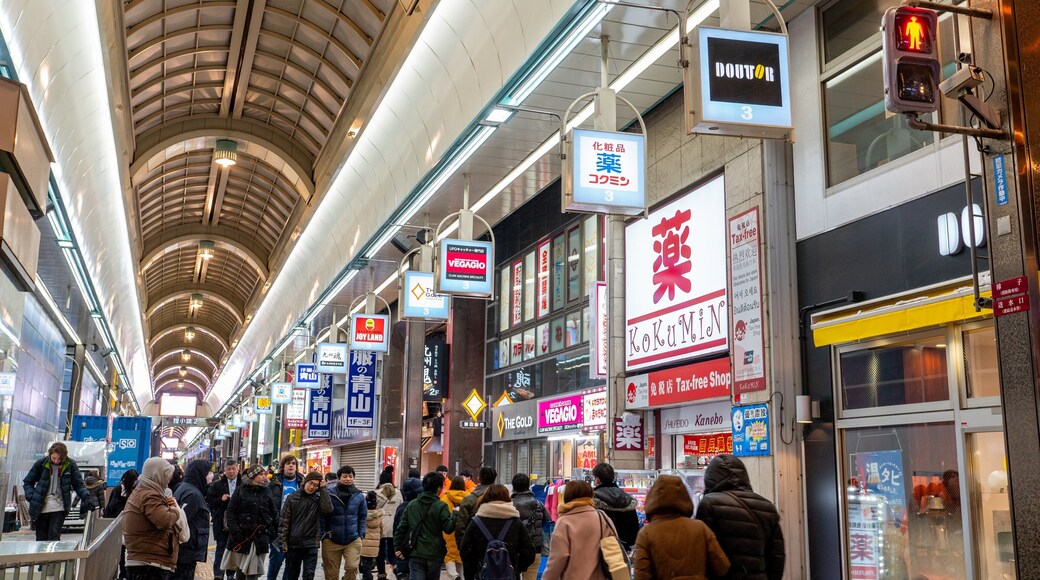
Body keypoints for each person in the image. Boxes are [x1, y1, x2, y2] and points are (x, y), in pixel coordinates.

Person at [695, 454, 785, 580]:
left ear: (711, 478)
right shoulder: (767, 507)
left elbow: (702, 555)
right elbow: (777, 556)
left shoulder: (709, 504)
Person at [634, 475, 729, 580]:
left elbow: (641, 575)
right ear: (684, 497)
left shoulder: (646, 533)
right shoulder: (700, 528)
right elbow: (722, 567)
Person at [122, 457, 186, 580]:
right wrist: (174, 509)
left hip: (146, 562)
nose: (168, 481)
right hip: (149, 565)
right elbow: (165, 520)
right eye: (166, 476)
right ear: (158, 475)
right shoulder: (150, 495)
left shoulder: (142, 492)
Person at [541, 480, 618, 580]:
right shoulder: (602, 518)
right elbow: (615, 547)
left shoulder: (564, 522)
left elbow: (556, 561)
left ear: (567, 496)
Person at [459, 483, 535, 580]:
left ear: (485, 498)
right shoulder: (516, 523)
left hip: (482, 575)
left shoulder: (476, 522)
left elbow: (465, 551)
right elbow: (529, 552)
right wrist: (516, 568)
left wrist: (474, 572)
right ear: (507, 498)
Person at [22, 441, 94, 541]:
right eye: (54, 458)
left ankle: (54, 556)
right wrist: (31, 496)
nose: (56, 461)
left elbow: (78, 484)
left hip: (59, 507)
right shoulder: (41, 464)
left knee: (54, 537)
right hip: (41, 507)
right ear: (50, 454)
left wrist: (86, 497)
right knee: (41, 538)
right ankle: (42, 556)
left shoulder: (70, 465)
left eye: (59, 459)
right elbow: (28, 482)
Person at [393, 471, 456, 580]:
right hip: (434, 553)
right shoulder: (441, 506)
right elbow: (448, 528)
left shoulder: (412, 504)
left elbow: (401, 529)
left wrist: (398, 548)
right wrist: (455, 515)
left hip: (415, 553)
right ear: (438, 489)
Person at [223, 465, 277, 580]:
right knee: (241, 568)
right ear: (253, 476)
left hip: (260, 536)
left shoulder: (267, 490)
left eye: (264, 474)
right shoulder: (241, 490)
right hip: (241, 536)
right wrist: (235, 530)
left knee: (253, 571)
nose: (264, 476)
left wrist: (273, 530)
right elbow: (231, 512)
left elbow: (273, 512)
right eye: (261, 474)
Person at [279, 471, 333, 580]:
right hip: (294, 544)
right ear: (305, 482)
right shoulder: (292, 498)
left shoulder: (318, 499)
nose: (312, 487)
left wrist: (323, 489)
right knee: (291, 575)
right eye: (310, 483)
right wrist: (283, 542)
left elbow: (328, 509)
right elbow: (284, 522)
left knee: (309, 575)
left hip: (311, 544)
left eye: (315, 485)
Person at [321, 465, 367, 580]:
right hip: (332, 540)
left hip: (353, 539)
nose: (348, 479)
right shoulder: (330, 493)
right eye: (345, 476)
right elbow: (322, 515)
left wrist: (361, 533)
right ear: (339, 478)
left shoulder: (359, 495)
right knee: (331, 574)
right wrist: (324, 535)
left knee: (352, 567)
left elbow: (362, 516)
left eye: (350, 476)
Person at [172, 460, 213, 580]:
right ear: (199, 473)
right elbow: (180, 520)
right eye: (208, 472)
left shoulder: (186, 488)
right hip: (186, 549)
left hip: (185, 549)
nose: (211, 475)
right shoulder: (193, 494)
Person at [269, 454, 304, 580]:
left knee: (291, 565)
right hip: (278, 528)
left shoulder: (303, 482)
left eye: (293, 463)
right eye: (288, 463)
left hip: (296, 529)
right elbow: (269, 504)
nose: (291, 466)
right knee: (275, 562)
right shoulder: (274, 482)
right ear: (282, 466)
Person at [591, 462, 640, 550]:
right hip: (623, 551)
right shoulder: (626, 498)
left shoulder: (593, 498)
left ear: (597, 479)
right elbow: (634, 529)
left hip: (601, 551)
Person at [208, 460, 242, 580]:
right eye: (229, 469)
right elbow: (210, 502)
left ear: (238, 469)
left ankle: (231, 574)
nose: (231, 471)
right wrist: (220, 500)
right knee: (221, 548)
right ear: (225, 470)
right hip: (221, 523)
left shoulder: (243, 484)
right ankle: (218, 574)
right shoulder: (217, 485)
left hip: (238, 524)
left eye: (234, 469)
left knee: (235, 550)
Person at [510, 473, 547, 580]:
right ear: (528, 485)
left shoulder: (508, 505)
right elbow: (549, 524)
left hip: (513, 550)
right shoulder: (538, 504)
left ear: (513, 486)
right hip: (535, 549)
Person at [392, 475, 423, 579]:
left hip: (404, 551)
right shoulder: (413, 507)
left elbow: (396, 530)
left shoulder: (402, 507)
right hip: (410, 550)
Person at [374, 465, 402, 580]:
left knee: (380, 551)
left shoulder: (377, 492)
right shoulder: (399, 493)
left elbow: (373, 509)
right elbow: (401, 508)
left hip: (380, 526)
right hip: (394, 526)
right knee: (393, 549)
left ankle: (381, 574)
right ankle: (395, 567)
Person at [455, 466, 495, 540]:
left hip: (475, 543)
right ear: (494, 480)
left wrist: (463, 546)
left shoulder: (469, 499)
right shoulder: (501, 498)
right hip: (499, 546)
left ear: (478, 479)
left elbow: (460, 526)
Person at [442, 476, 470, 580]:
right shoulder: (468, 498)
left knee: (449, 555)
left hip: (448, 530)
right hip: (463, 531)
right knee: (460, 557)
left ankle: (454, 575)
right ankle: (460, 577)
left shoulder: (445, 499)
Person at [360, 491, 384, 580]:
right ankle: (367, 576)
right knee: (368, 564)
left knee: (364, 565)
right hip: (374, 545)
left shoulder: (362, 515)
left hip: (363, 544)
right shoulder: (379, 516)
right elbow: (381, 531)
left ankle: (367, 577)